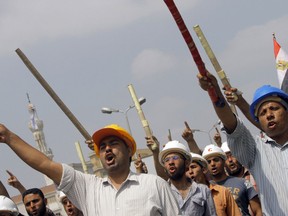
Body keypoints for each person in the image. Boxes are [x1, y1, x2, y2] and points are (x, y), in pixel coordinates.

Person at [0, 124, 180, 215]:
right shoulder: (89, 187)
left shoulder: (154, 184)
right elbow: (44, 164)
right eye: (102, 147)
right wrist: (8, 137)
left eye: (114, 143)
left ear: (129, 150)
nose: (107, 149)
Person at [198, 71, 288, 215]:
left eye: (274, 108)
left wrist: (241, 102)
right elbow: (232, 125)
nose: (269, 115)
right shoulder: (255, 150)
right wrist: (214, 91)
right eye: (263, 113)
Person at [159, 140, 216, 216]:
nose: (171, 162)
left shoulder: (203, 191)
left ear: (186, 163)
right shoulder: (161, 193)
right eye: (167, 160)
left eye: (175, 158)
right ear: (164, 167)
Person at [202, 144, 262, 216]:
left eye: (216, 160)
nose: (212, 164)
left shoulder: (243, 182)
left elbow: (258, 211)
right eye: (208, 162)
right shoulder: (205, 190)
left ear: (224, 161)